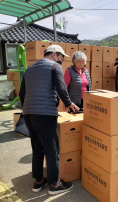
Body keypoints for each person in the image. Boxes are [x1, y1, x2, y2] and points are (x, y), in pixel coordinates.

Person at [19, 45, 79, 195]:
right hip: (45, 115)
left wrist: (28, 108)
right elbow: (61, 87)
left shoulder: (30, 69)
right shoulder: (54, 66)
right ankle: (55, 184)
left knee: (37, 148)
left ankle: (38, 181)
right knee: (52, 150)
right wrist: (68, 103)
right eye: (61, 57)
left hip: (28, 115)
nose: (62, 61)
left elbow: (22, 93)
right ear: (54, 54)